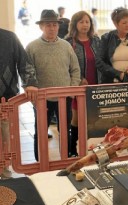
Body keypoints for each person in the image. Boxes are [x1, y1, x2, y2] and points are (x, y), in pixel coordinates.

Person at [25, 9, 81, 161]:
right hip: (42, 98)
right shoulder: (31, 47)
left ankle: (66, 160)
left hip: (65, 96)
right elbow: (27, 72)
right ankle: (40, 162)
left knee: (65, 129)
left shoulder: (66, 46)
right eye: (48, 25)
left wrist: (72, 90)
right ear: (41, 26)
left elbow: (75, 69)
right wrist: (33, 95)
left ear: (58, 26)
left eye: (54, 25)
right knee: (41, 130)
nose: (52, 28)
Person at [0, 28, 38, 179]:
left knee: (5, 138)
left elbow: (24, 61)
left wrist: (30, 83)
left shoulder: (9, 37)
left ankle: (5, 174)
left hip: (7, 99)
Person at [65, 11, 101, 156]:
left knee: (93, 117)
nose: (85, 25)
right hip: (78, 86)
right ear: (75, 24)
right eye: (81, 22)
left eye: (87, 22)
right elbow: (66, 65)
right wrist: (79, 78)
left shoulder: (97, 40)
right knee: (76, 118)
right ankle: (72, 148)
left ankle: (91, 149)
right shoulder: (68, 42)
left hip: (96, 84)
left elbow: (103, 60)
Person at [98, 7, 128, 83]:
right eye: (124, 23)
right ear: (115, 24)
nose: (127, 25)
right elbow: (99, 62)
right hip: (110, 82)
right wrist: (118, 74)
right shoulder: (106, 38)